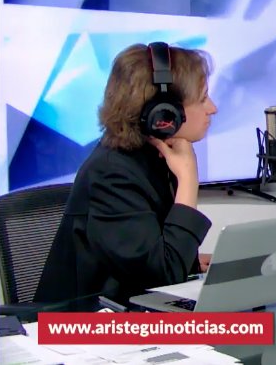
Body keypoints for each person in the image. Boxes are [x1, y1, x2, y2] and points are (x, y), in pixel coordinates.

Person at [35, 42, 218, 302]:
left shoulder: (154, 158)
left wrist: (189, 261)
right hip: (89, 322)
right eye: (202, 98)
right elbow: (164, 276)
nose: (212, 108)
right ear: (164, 111)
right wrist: (189, 179)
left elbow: (147, 258)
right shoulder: (112, 173)